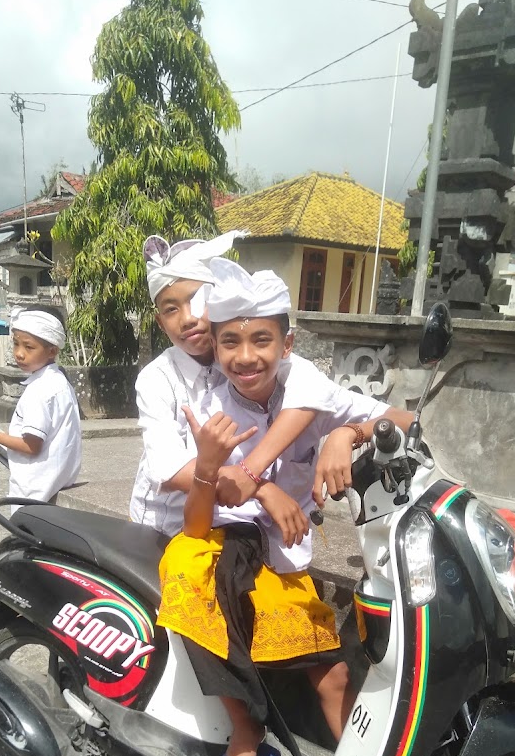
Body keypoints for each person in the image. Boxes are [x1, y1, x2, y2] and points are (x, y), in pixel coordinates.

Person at [156, 260, 414, 756]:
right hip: (227, 547)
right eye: (230, 342)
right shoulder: (208, 410)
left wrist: (346, 434)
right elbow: (197, 523)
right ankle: (245, 730)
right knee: (197, 573)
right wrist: (213, 468)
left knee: (333, 676)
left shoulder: (308, 386)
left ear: (286, 344)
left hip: (285, 555)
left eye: (261, 340)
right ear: (216, 347)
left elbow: (403, 420)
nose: (245, 357)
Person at [130, 230, 354, 538]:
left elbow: (313, 385)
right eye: (171, 309)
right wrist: (258, 486)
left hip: (232, 522)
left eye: (198, 301)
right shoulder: (157, 379)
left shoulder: (245, 358)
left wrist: (345, 432)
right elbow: (168, 471)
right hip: (164, 524)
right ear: (159, 322)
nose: (187, 319)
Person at [0, 306, 82, 504]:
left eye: (29, 347)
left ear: (52, 351)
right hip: (55, 482)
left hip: (34, 491)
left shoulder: (39, 390)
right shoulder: (58, 381)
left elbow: (32, 446)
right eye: (16, 344)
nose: (19, 353)